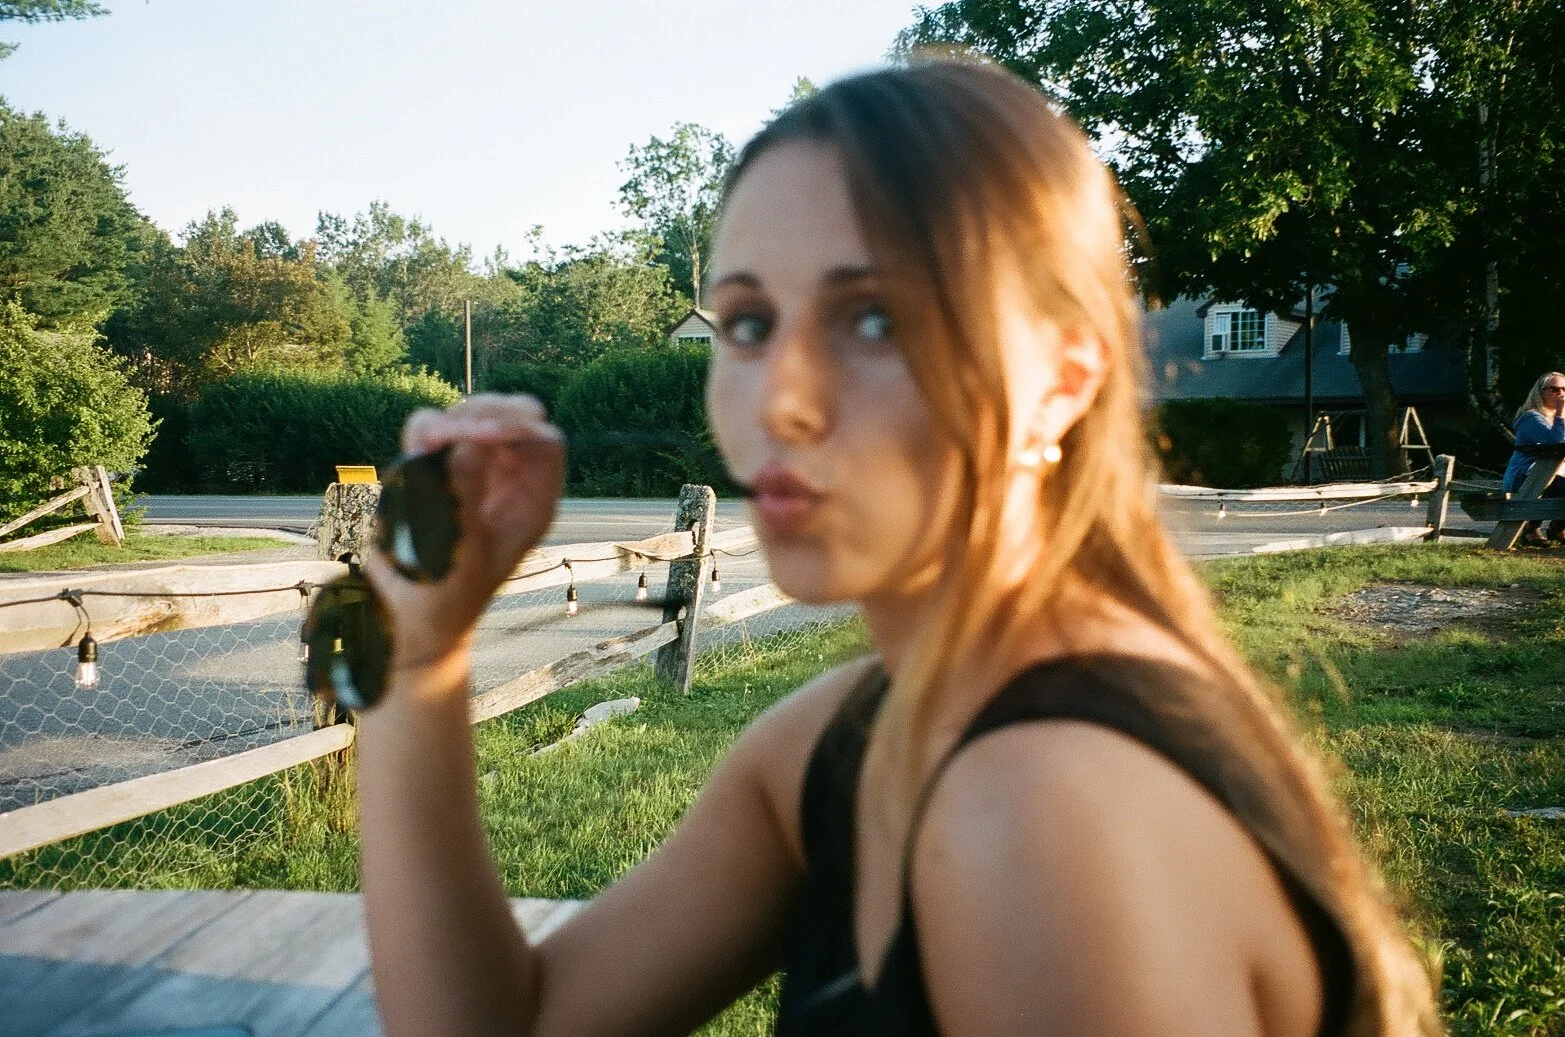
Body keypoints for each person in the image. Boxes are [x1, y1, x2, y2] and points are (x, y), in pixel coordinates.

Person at [355, 59, 1439, 1036]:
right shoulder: (837, 743)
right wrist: (422, 649)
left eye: (874, 318)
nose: (778, 399)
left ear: (1064, 376)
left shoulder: (1045, 811)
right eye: (747, 323)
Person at [1503, 372, 1565, 545]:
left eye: (1564, 389)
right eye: (1554, 389)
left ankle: (1557, 527)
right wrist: (1560, 414)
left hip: (1553, 474)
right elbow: (1555, 443)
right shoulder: (1531, 418)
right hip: (1525, 476)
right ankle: (1532, 528)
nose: (1560, 393)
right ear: (1540, 392)